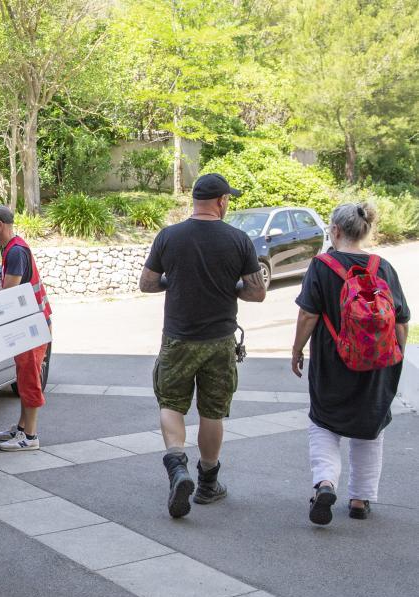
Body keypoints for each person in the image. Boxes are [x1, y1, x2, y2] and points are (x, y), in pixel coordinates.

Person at [139, 173, 266, 518]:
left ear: (194, 201)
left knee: (171, 403)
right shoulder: (238, 239)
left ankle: (177, 465)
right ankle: (208, 482)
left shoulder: (169, 236)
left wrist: (174, 279)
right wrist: (230, 286)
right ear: (222, 201)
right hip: (219, 340)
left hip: (178, 338)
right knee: (212, 411)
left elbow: (147, 284)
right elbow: (257, 292)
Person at [291, 203, 410, 525]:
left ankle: (326, 482)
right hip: (379, 364)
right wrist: (396, 357)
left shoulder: (321, 266)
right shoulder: (382, 266)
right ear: (365, 230)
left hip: (333, 360)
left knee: (324, 421)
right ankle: (360, 499)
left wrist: (297, 349)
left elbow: (308, 314)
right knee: (370, 427)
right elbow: (400, 319)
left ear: (336, 231)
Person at [0, 205, 53, 451]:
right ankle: (21, 427)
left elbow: (10, 290)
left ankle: (30, 437)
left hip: (32, 325)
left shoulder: (16, 251)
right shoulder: (13, 248)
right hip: (29, 323)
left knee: (29, 378)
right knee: (23, 375)